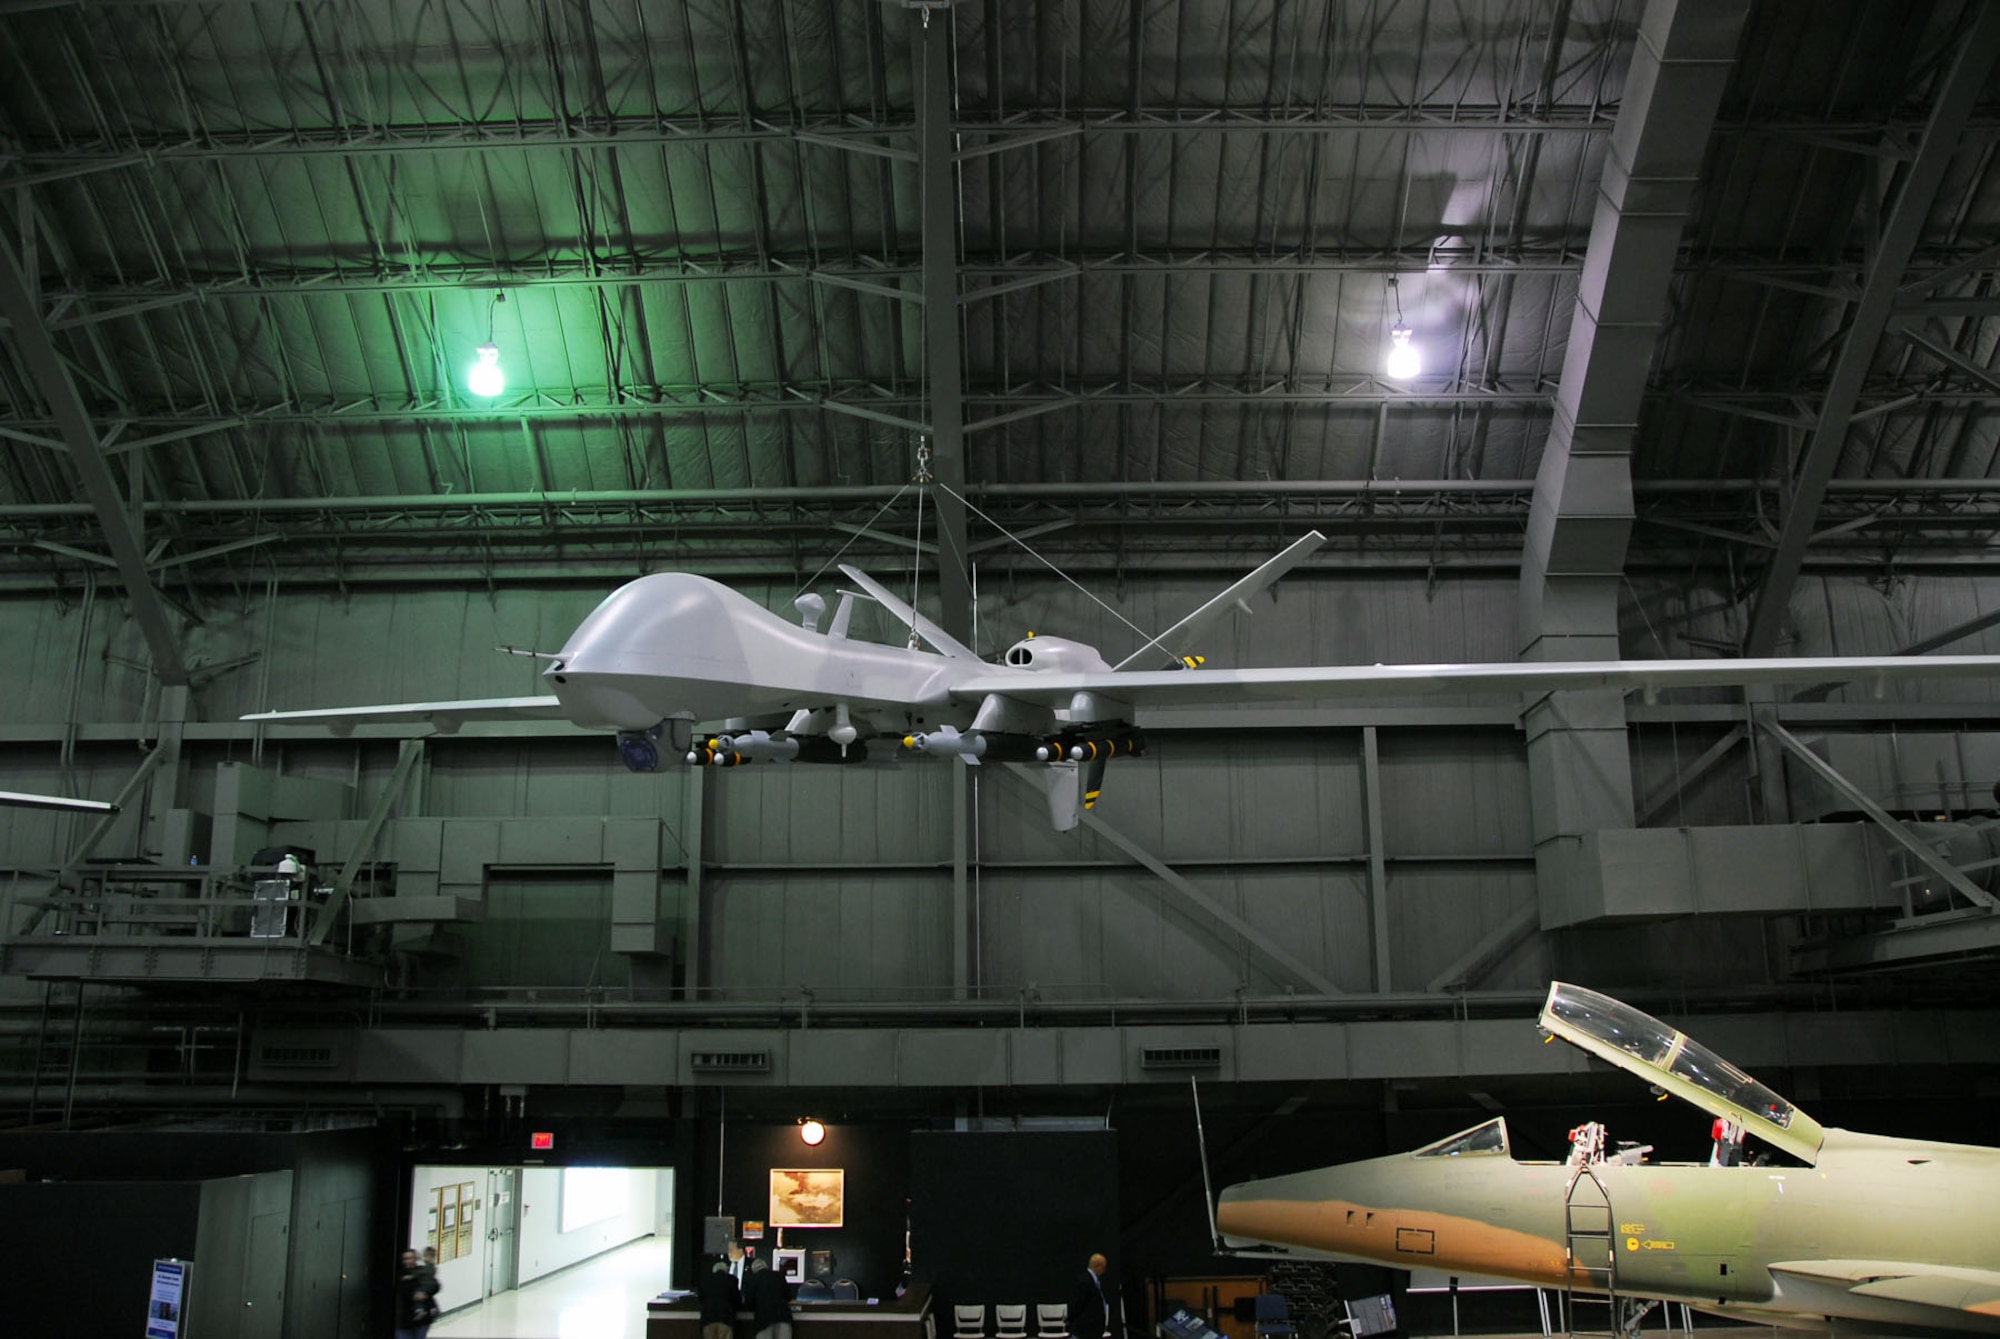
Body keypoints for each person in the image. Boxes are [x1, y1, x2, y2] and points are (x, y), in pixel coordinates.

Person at [394, 1248, 440, 1339]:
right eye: (406, 1259)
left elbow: (435, 1285)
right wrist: (413, 1295)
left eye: (411, 1258)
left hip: (421, 1320)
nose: (408, 1261)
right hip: (403, 1319)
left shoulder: (422, 1270)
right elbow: (401, 1289)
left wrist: (425, 1293)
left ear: (416, 1259)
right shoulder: (399, 1274)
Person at [744, 1253, 793, 1339]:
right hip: (783, 1316)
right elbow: (789, 1296)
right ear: (766, 1266)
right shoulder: (779, 1276)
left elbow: (749, 1302)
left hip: (764, 1320)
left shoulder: (752, 1279)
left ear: (754, 1270)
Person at [1067, 1253, 1110, 1339]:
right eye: (1103, 1268)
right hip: (1085, 1330)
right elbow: (1076, 1304)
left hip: (1093, 1330)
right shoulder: (1085, 1282)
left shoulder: (1094, 1281)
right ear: (1098, 1266)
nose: (1104, 1271)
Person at [701, 1254, 742, 1339]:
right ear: (726, 1270)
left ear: (714, 1270)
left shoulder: (705, 1280)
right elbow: (737, 1299)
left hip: (708, 1318)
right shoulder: (732, 1279)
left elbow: (701, 1298)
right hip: (726, 1318)